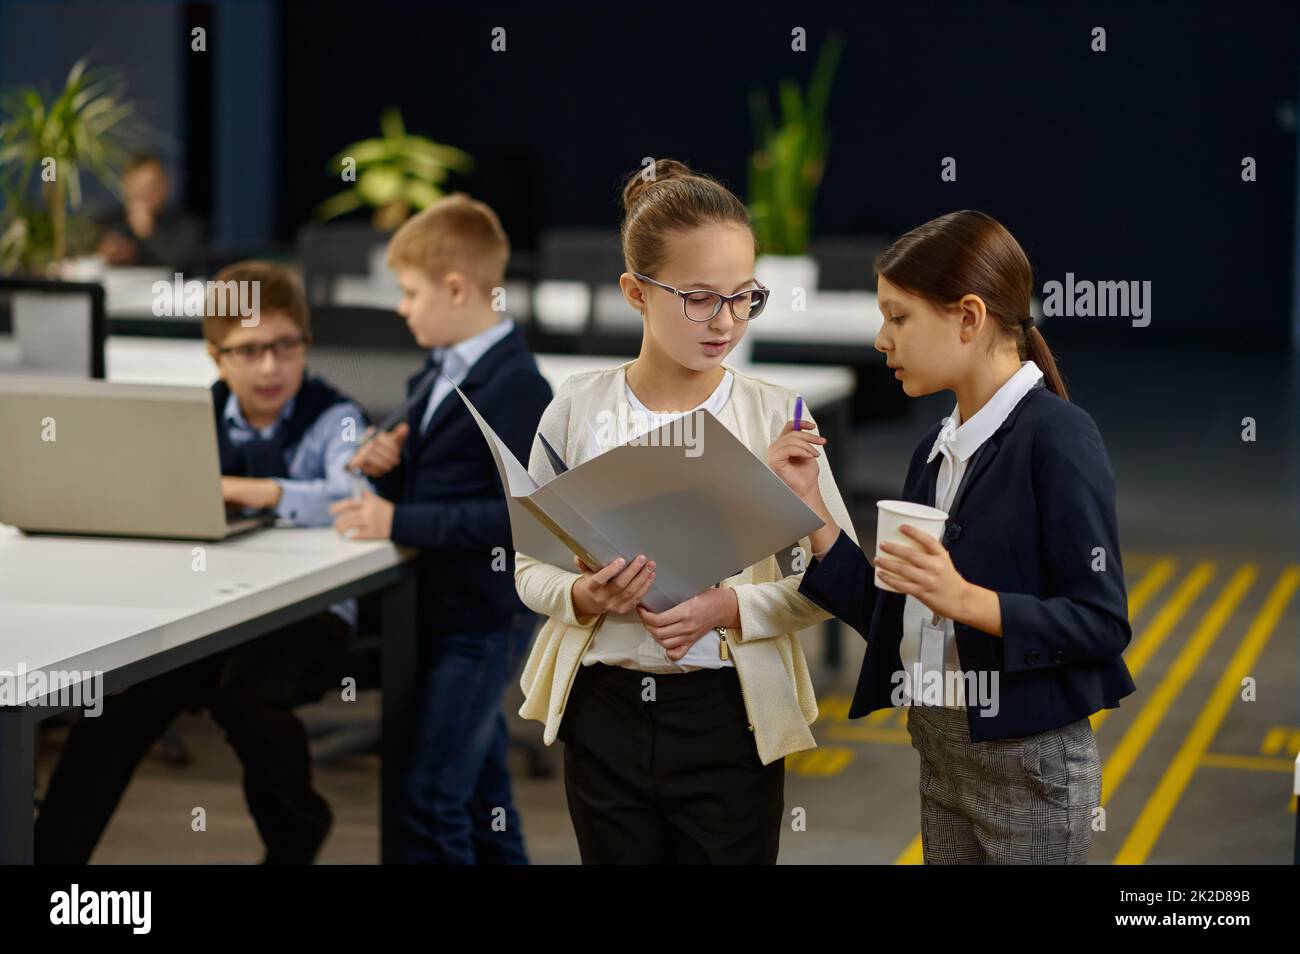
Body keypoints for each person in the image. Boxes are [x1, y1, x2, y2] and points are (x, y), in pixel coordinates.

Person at [513, 159, 859, 864]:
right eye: (699, 298)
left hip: (730, 714)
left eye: (744, 297)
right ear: (635, 293)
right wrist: (582, 593)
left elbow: (836, 585)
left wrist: (727, 610)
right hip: (602, 706)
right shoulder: (576, 408)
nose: (725, 321)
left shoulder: (777, 417)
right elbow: (525, 566)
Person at [768, 210, 1135, 863]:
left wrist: (965, 599)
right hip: (940, 753)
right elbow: (892, 614)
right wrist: (810, 513)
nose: (882, 340)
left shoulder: (1056, 438)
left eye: (898, 317)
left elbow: (1100, 624)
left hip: (1029, 768)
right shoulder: (935, 453)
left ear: (968, 317)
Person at [37, 261, 367, 864]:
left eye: (284, 347)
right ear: (216, 358)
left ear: (306, 345)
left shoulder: (334, 418)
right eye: (248, 351)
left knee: (249, 694)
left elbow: (355, 500)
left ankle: (296, 832)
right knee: (120, 697)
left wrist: (256, 491)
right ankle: (51, 860)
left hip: (308, 614)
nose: (269, 367)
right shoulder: (193, 418)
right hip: (209, 611)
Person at [333, 194, 551, 864]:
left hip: (481, 621)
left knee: (428, 798)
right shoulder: (437, 371)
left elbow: (524, 517)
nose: (401, 308)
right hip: (439, 610)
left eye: (409, 292)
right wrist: (387, 469)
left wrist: (398, 517)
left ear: (455, 288)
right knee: (483, 797)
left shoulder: (517, 387)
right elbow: (440, 479)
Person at [98, 153, 203, 272]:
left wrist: (147, 231)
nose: (145, 194)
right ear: (125, 186)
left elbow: (180, 266)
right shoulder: (106, 223)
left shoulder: (186, 225)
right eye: (138, 187)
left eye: (151, 186)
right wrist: (105, 254)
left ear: (166, 186)